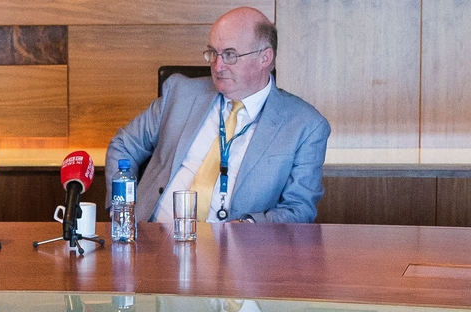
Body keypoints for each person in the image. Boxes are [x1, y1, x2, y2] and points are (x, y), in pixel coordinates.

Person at [105, 7, 330, 224]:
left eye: (230, 55)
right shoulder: (180, 93)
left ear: (265, 58)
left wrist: (249, 226)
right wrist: (122, 211)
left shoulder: (305, 125)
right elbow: (123, 145)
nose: (217, 66)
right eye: (213, 53)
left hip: (237, 253)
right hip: (152, 239)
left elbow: (298, 209)